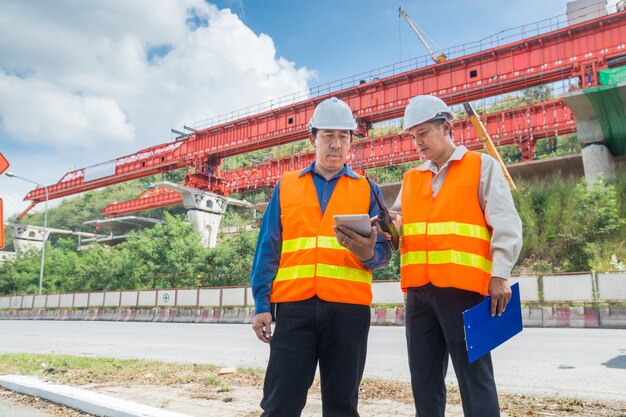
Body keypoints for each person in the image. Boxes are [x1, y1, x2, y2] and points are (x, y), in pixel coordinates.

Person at [379, 95, 523, 417]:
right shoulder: (412, 178)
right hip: (419, 295)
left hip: (465, 292)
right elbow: (399, 222)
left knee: (476, 380)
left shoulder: (481, 166)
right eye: (413, 136)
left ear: (447, 127)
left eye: (423, 133)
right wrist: (386, 223)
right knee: (424, 381)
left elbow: (507, 224)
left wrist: (500, 275)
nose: (417, 143)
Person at [250, 96, 391, 417]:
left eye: (343, 136)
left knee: (342, 405)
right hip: (294, 308)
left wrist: (369, 252)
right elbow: (268, 249)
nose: (336, 144)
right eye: (328, 135)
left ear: (352, 141)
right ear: (313, 138)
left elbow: (384, 254)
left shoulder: (368, 189)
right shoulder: (286, 186)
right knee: (279, 403)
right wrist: (262, 305)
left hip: (349, 312)